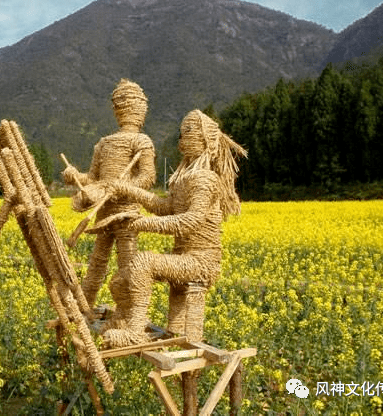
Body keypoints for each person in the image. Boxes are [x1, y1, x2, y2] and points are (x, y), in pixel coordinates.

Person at [95, 109, 247, 347]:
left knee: (143, 263)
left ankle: (135, 333)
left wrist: (144, 223)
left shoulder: (204, 179)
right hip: (182, 257)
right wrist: (128, 190)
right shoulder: (184, 178)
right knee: (119, 280)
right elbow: (164, 207)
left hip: (200, 261)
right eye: (181, 133)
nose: (182, 139)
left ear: (204, 139)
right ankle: (122, 320)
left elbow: (190, 220)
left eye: (188, 132)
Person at [62, 79, 156, 308]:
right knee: (97, 265)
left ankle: (130, 313)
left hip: (126, 214)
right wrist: (74, 175)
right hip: (103, 212)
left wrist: (123, 188)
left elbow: (147, 177)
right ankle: (85, 308)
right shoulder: (104, 143)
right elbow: (93, 178)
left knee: (128, 264)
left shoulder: (141, 141)